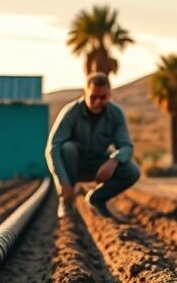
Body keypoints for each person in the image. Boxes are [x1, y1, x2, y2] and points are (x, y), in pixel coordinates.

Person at [45, 72, 140, 220]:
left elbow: (126, 146)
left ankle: (97, 199)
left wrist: (114, 160)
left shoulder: (116, 114)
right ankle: (66, 202)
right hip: (75, 164)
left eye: (103, 98)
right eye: (93, 97)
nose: (97, 102)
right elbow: (53, 148)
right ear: (84, 93)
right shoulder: (71, 112)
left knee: (132, 171)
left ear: (110, 94)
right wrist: (63, 183)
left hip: (99, 165)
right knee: (67, 148)